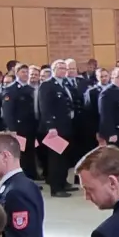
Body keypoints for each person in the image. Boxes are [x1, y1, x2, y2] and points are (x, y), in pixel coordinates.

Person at [36, 62, 76, 197]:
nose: (63, 71)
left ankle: (63, 182)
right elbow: (45, 107)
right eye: (60, 68)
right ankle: (56, 187)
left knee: (64, 157)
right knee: (56, 158)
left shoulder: (64, 84)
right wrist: (50, 126)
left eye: (65, 68)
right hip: (54, 128)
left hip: (65, 126)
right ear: (53, 70)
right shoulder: (47, 85)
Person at [2, 65, 42, 183]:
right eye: (23, 72)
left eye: (27, 72)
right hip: (19, 128)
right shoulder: (11, 89)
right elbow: (7, 111)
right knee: (22, 154)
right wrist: (11, 128)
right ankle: (24, 179)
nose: (26, 74)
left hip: (31, 127)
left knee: (30, 152)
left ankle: (31, 176)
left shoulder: (30, 89)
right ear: (17, 73)